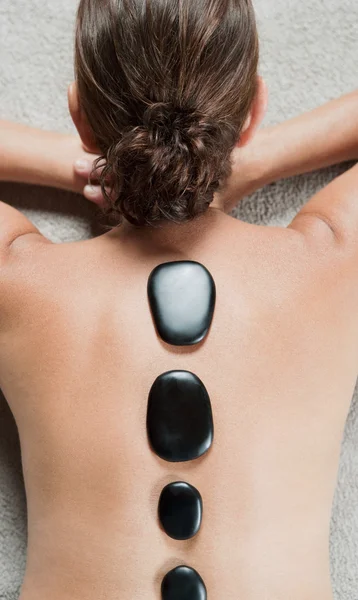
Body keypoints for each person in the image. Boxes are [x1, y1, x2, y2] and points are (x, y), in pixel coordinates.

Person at [0, 0, 358, 598]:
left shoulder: (18, 277)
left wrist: (88, 163)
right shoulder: (333, 259)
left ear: (81, 116)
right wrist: (252, 158)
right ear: (252, 113)